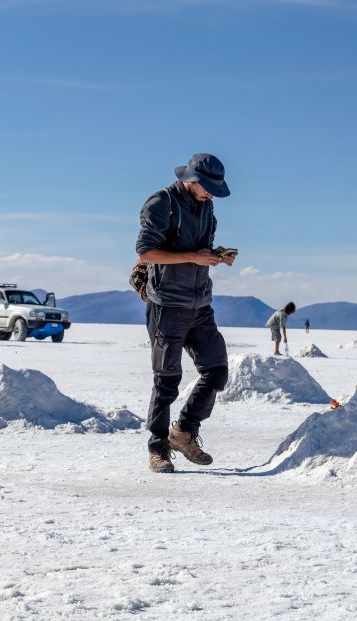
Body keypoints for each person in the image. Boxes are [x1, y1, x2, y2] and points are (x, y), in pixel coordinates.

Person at [135, 153, 235, 474]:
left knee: (217, 371)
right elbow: (147, 251)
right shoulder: (161, 203)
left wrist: (216, 256)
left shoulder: (206, 206)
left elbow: (198, 251)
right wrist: (195, 256)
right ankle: (158, 449)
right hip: (167, 304)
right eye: (207, 188)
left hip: (199, 304)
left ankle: (183, 432)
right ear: (190, 179)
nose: (211, 194)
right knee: (167, 381)